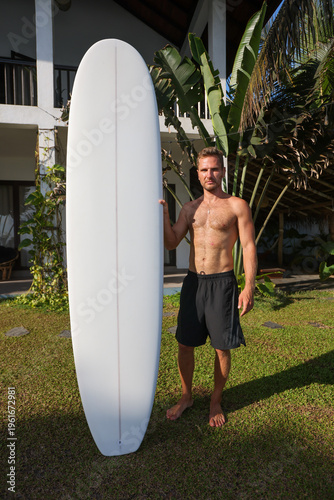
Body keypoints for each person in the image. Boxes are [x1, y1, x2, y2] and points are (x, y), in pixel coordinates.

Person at [159, 147, 257, 427]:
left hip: (222, 284)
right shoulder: (190, 209)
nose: (209, 174)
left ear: (223, 172)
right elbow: (171, 242)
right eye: (204, 170)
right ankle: (187, 396)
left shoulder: (237, 205)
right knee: (184, 344)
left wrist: (249, 286)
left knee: (222, 347)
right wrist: (164, 214)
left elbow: (249, 247)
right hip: (193, 283)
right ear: (198, 174)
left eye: (214, 169)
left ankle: (215, 400)